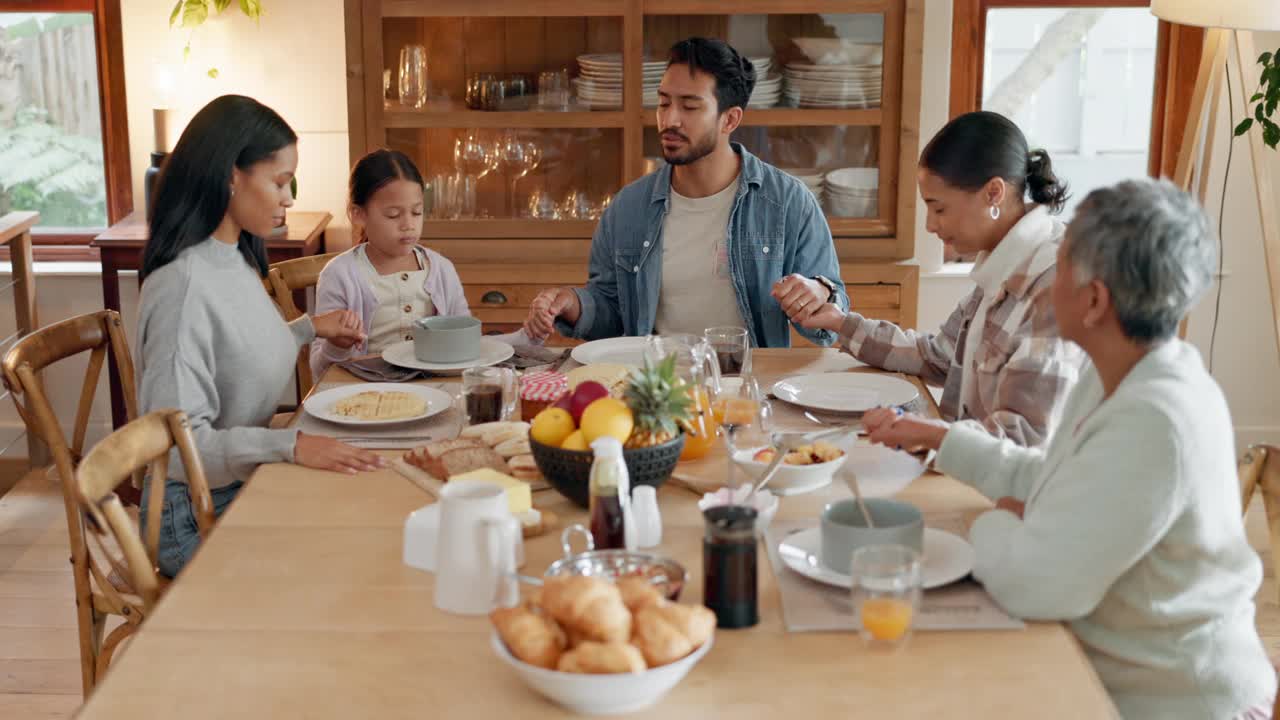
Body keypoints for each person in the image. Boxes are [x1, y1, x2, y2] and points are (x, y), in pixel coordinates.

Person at [864, 179, 1276, 719]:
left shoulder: (1156, 418)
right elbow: (1057, 479)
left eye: (1059, 262)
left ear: (1095, 299)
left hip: (1168, 700)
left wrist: (988, 526)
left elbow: (1036, 585)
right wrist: (945, 439)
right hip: (1105, 667)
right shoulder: (1128, 369)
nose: (1046, 275)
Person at [136, 95, 388, 577]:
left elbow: (233, 348)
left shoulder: (230, 256)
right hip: (188, 515)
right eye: (279, 181)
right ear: (232, 175)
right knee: (342, 564)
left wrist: (307, 328)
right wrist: (289, 447)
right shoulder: (182, 288)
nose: (289, 197)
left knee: (369, 513)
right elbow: (178, 449)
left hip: (234, 482)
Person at [522, 36, 847, 347]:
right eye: (664, 103)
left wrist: (818, 293)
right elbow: (612, 312)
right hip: (659, 388)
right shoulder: (629, 207)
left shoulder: (787, 201)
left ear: (729, 119)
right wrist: (571, 302)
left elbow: (832, 324)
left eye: (690, 107)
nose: (669, 119)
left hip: (747, 388)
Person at [788, 111, 1082, 446]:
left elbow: (1025, 440)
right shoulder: (1002, 264)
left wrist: (926, 432)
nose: (930, 225)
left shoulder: (1057, 287)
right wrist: (841, 323)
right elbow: (938, 356)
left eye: (939, 209)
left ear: (993, 193)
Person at [311, 149, 468, 379]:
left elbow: (468, 344)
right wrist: (337, 346)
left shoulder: (442, 270)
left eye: (417, 212)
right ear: (358, 214)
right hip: (364, 399)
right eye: (393, 215)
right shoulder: (339, 275)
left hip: (433, 393)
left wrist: (528, 334)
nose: (408, 225)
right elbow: (319, 370)